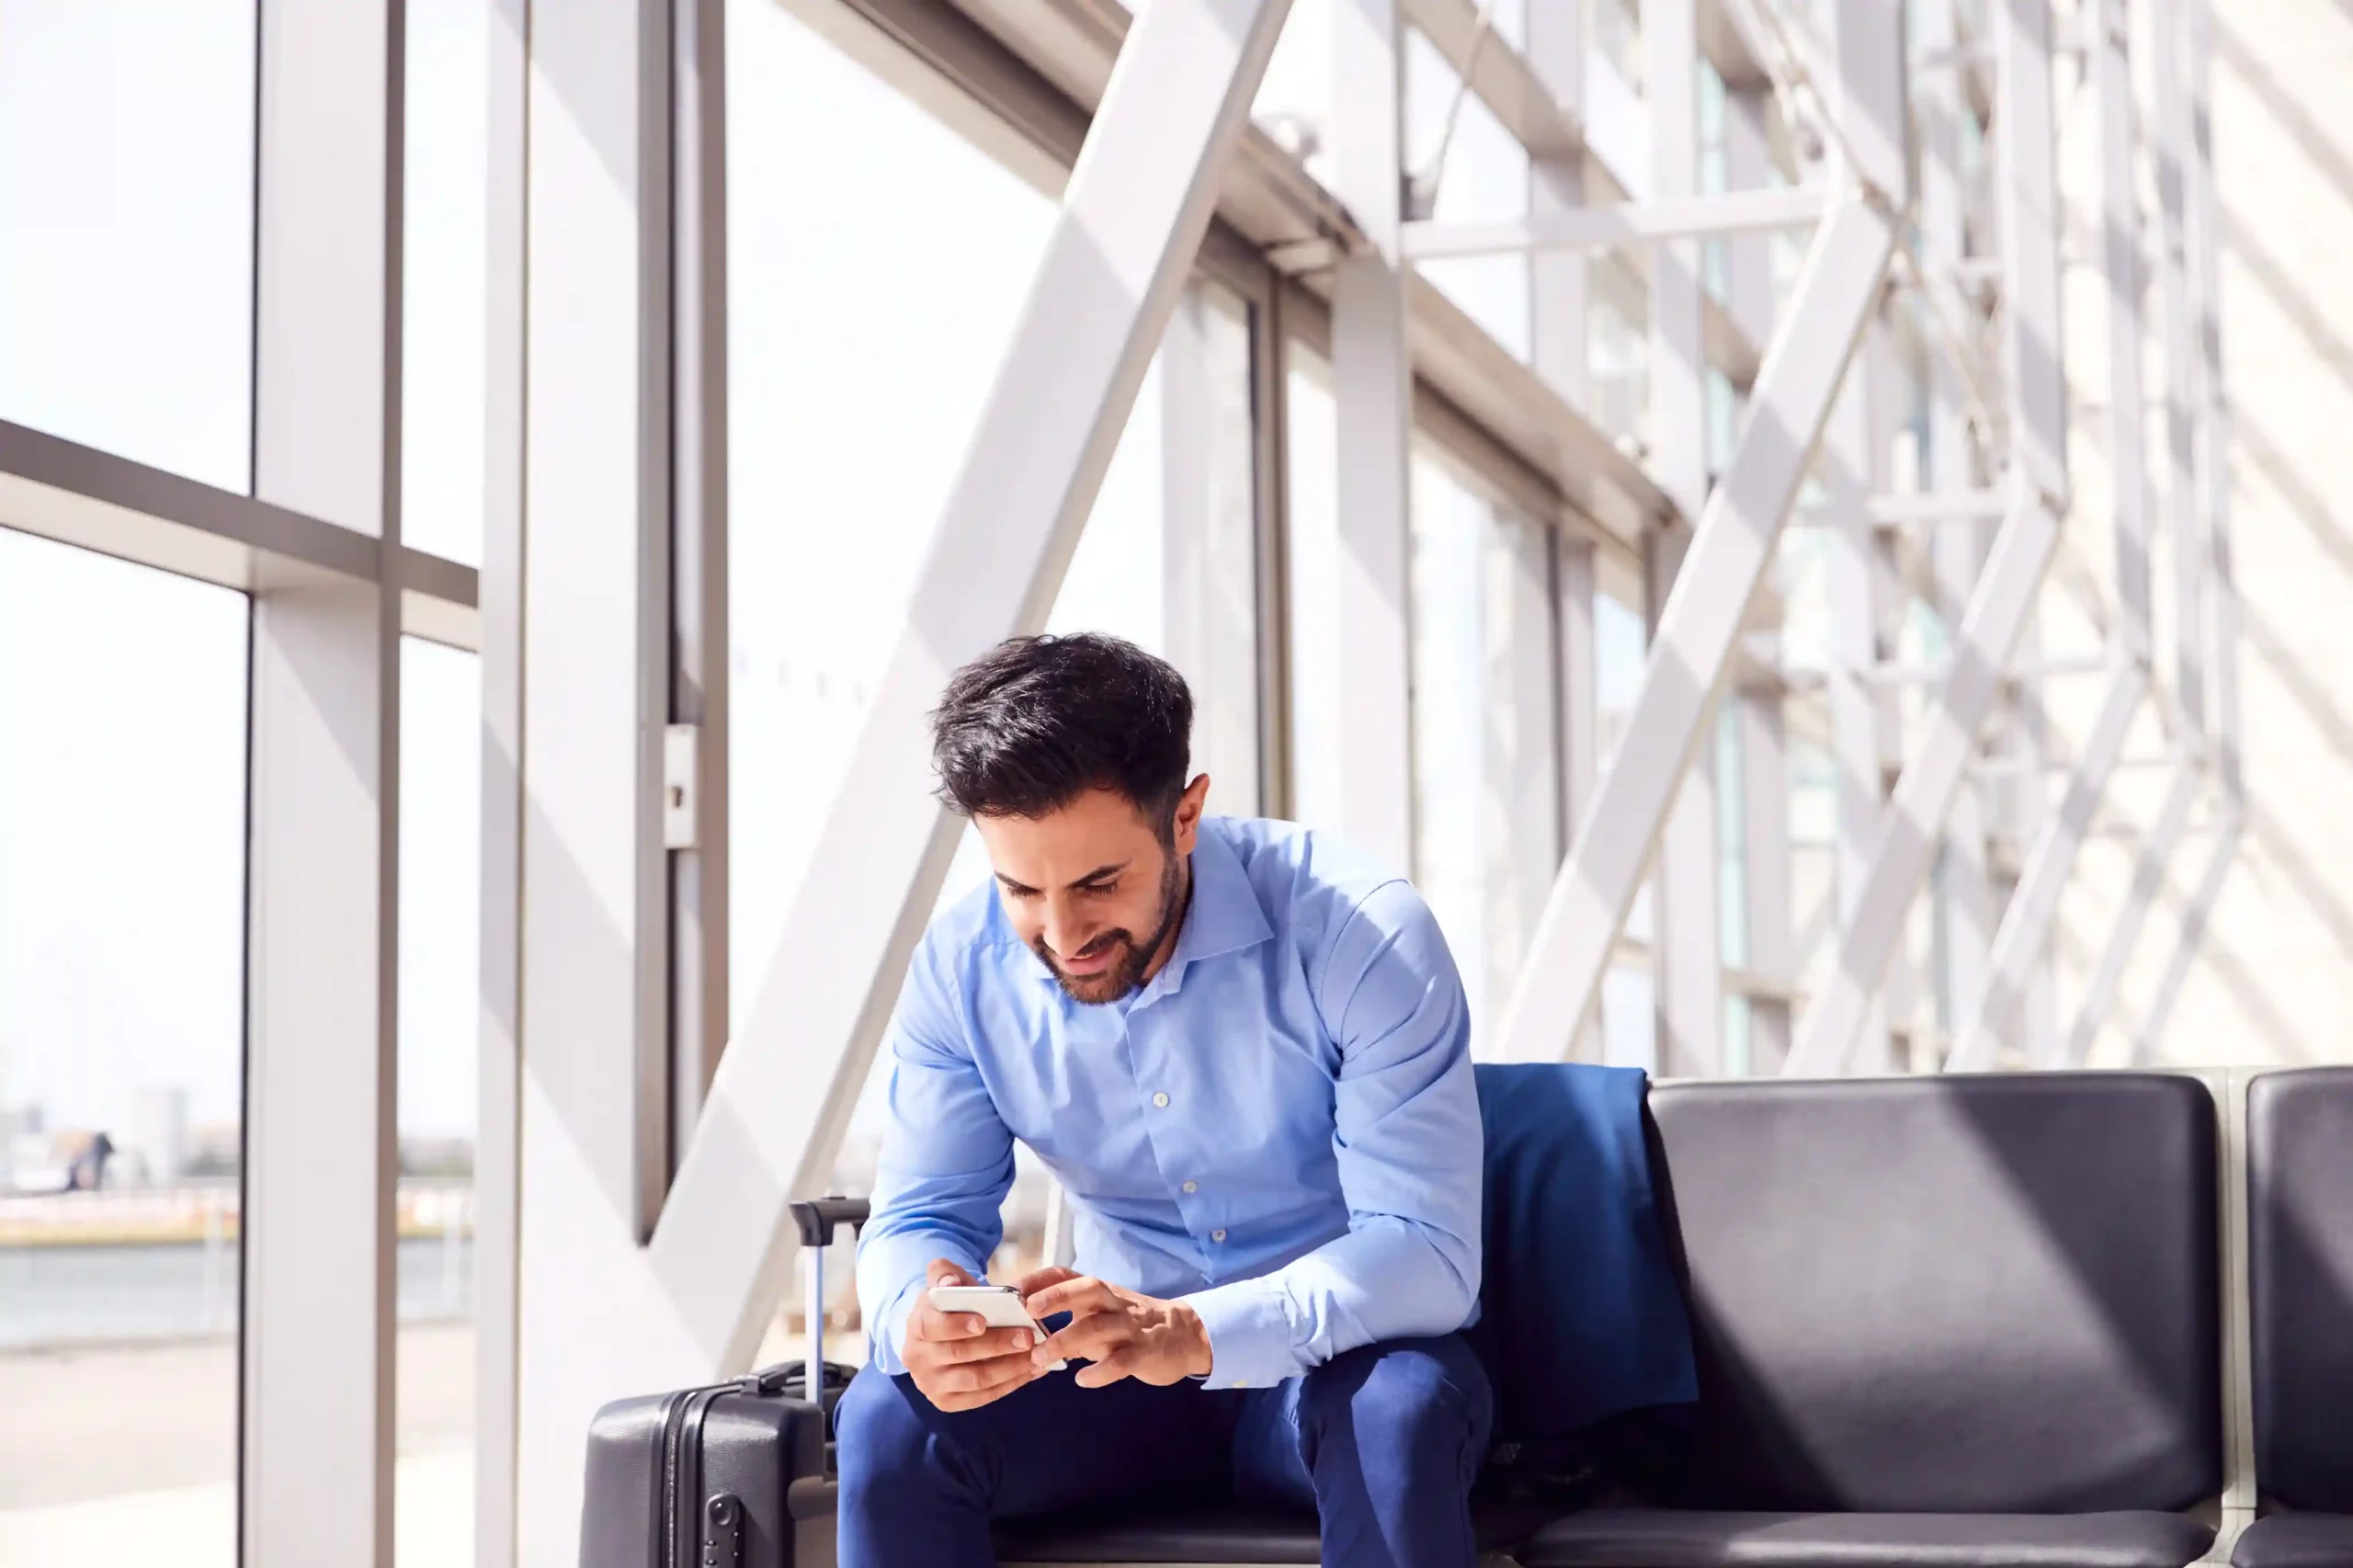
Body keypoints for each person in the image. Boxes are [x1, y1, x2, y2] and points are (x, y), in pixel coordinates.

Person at [835, 632, 1490, 1567]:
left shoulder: (1358, 932)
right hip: (1112, 1382)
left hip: (1332, 1371)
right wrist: (921, 1308)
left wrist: (1191, 1331)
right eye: (1021, 886)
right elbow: (920, 1212)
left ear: (1185, 816)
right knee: (891, 1413)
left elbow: (1428, 1254)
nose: (1062, 934)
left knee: (1400, 1408)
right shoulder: (960, 967)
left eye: (1100, 882)